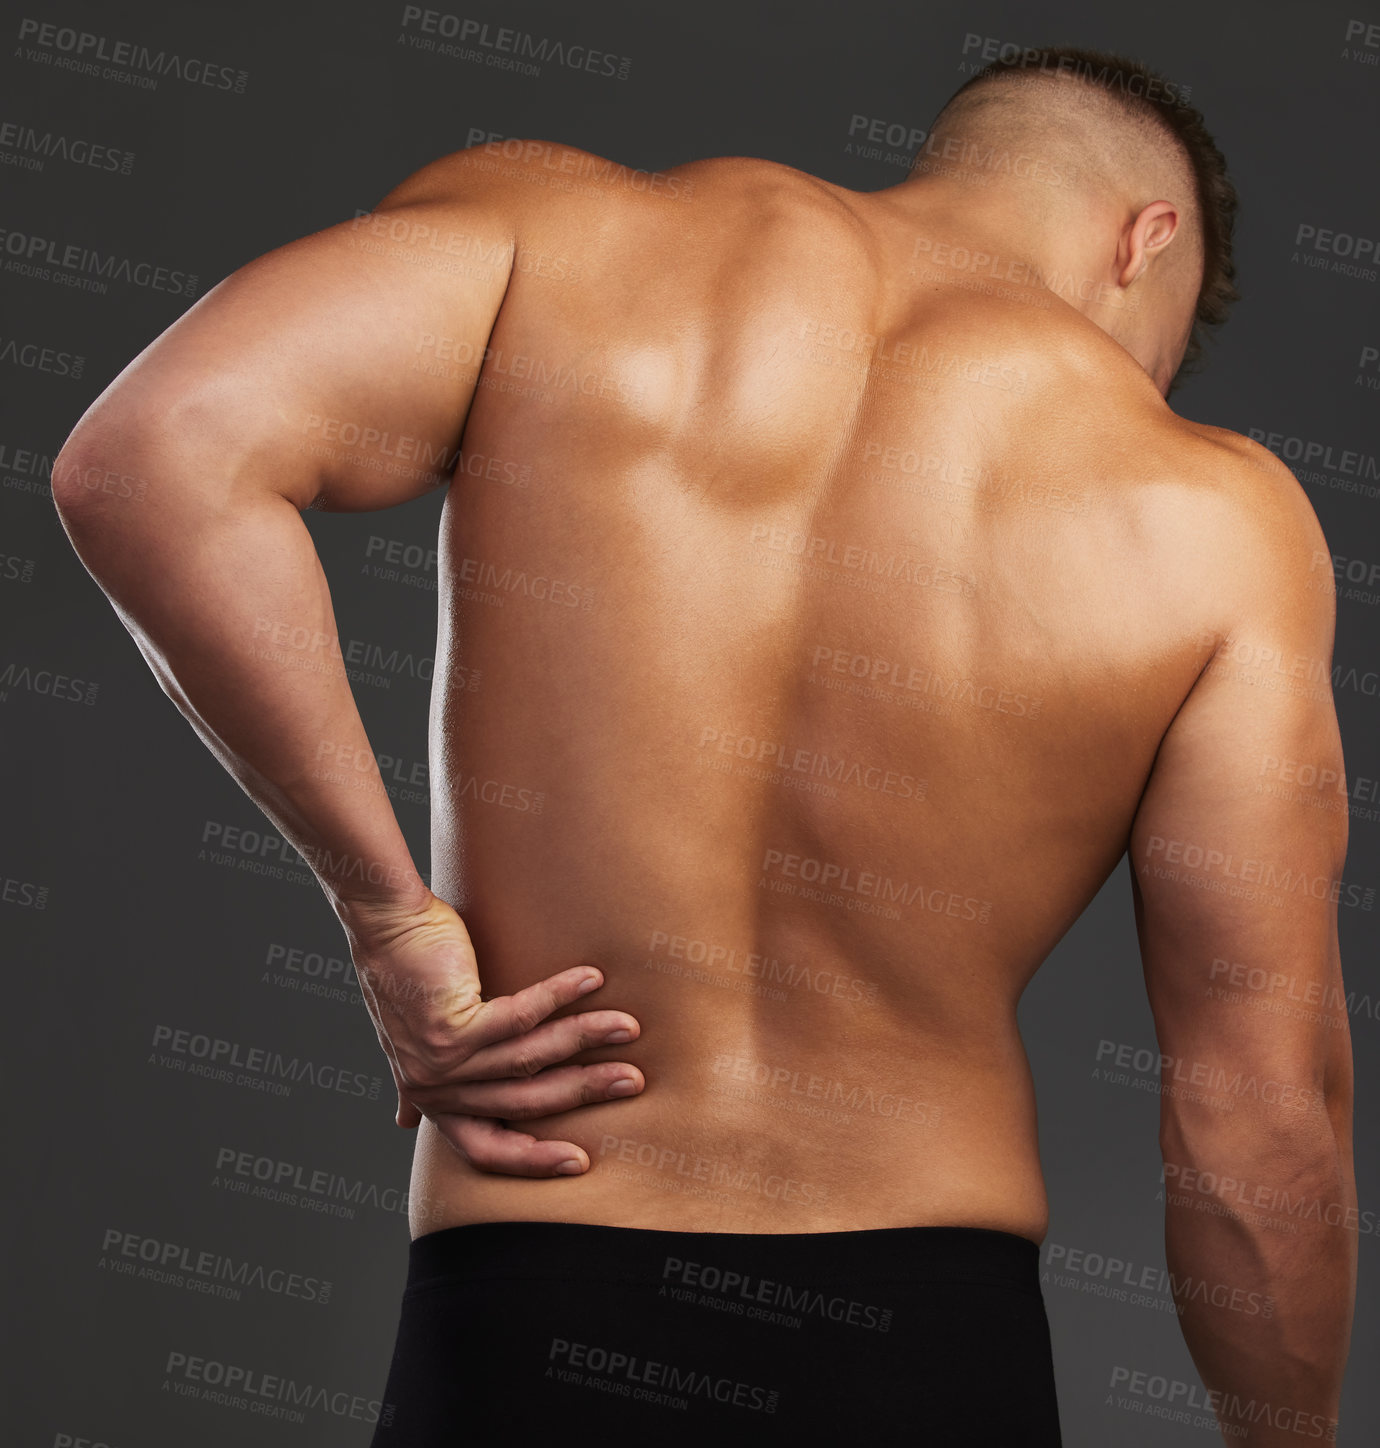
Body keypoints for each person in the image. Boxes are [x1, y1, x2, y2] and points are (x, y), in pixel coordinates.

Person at [52, 42, 1354, 1447]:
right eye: (1165, 347)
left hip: (526, 1305)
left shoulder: (558, 234)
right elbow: (1258, 1123)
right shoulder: (1224, 521)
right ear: (1144, 240)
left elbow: (153, 454)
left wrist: (388, 918)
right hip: (920, 1342)